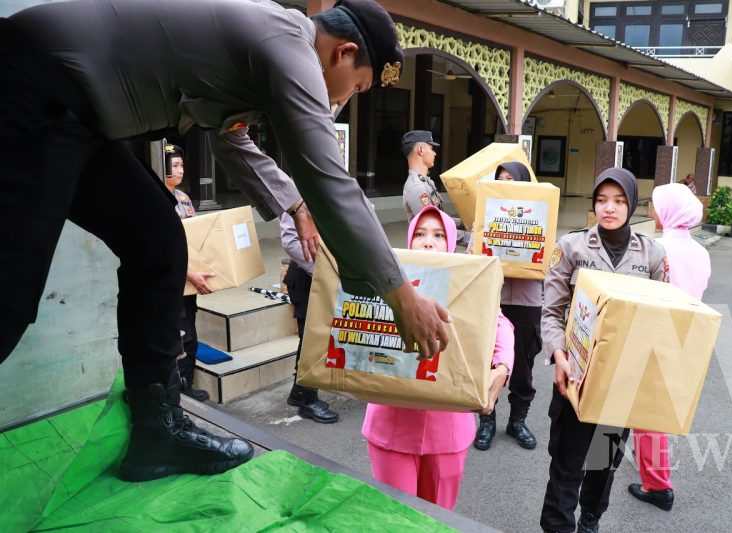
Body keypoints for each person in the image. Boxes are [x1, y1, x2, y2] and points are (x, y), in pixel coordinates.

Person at [2, 0, 450, 483]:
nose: (346, 100)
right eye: (357, 87)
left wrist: (297, 207)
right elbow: (328, 177)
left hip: (78, 117)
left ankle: (157, 433)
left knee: (157, 239)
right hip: (32, 83)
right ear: (343, 53)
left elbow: (230, 139)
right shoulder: (289, 47)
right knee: (10, 290)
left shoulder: (274, 44)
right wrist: (401, 297)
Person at [540, 168, 669, 533]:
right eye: (601, 200)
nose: (608, 208)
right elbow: (551, 311)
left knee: (602, 462)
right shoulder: (572, 247)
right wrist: (558, 355)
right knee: (566, 464)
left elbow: (664, 315)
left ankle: (591, 520)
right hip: (576, 377)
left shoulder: (653, 254)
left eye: (618, 200)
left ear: (632, 204)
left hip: (622, 383)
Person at [362, 205, 514, 510]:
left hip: (449, 430)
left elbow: (499, 325)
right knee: (395, 520)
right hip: (391, 426)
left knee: (437, 519)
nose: (428, 241)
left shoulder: (466, 286)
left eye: (437, 234)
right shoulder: (388, 286)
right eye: (419, 234)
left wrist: (502, 367)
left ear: (450, 243)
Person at [628, 182, 711, 512]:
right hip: (687, 336)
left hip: (653, 335)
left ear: (665, 212)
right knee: (655, 409)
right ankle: (647, 463)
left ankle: (658, 486)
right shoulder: (701, 252)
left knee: (648, 412)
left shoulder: (654, 248)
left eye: (654, 205)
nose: (650, 210)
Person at [474, 162, 543, 452]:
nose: (507, 185)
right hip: (495, 297)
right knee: (490, 362)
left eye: (513, 180)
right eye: (501, 180)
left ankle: (518, 421)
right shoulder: (488, 216)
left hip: (527, 299)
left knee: (523, 365)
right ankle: (487, 419)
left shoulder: (540, 217)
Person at [161, 144, 212, 403]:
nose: (180, 170)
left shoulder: (183, 198)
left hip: (191, 277)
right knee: (179, 333)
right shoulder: (158, 199)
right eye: (174, 166)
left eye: (182, 165)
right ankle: (176, 388)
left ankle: (187, 384)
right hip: (171, 279)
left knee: (190, 328)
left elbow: (196, 238)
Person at [280, 212, 339, 424]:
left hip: (330, 275)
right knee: (311, 340)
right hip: (308, 277)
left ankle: (299, 391)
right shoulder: (297, 195)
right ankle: (306, 399)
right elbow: (290, 241)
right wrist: (322, 270)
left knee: (319, 338)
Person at [402, 130, 443, 221]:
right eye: (431, 149)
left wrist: (462, 223)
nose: (435, 153)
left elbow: (441, 218)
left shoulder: (425, 182)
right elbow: (434, 225)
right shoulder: (417, 187)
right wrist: (468, 235)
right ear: (421, 150)